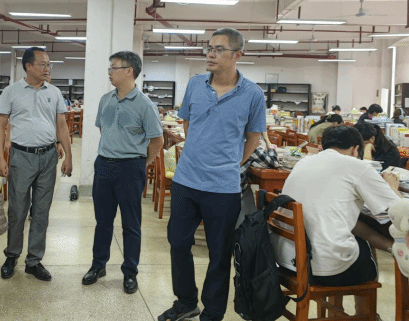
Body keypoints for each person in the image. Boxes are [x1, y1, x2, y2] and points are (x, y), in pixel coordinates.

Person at [158, 28, 266, 321]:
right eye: (209, 48)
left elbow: (254, 137)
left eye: (219, 49)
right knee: (179, 243)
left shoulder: (253, 94)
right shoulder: (195, 84)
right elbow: (188, 125)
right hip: (186, 181)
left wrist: (231, 162)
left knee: (219, 253)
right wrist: (199, 152)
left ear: (237, 55)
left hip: (223, 187)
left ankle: (213, 312)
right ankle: (186, 302)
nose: (211, 54)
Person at [279, 125, 400, 294]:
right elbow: (399, 211)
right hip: (326, 269)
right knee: (364, 246)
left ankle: (391, 247)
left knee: (352, 222)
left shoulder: (303, 162)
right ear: (356, 149)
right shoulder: (357, 166)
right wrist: (392, 187)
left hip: (287, 261)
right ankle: (364, 310)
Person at [82, 51, 163, 294]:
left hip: (130, 168)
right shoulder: (106, 100)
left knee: (131, 223)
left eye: (114, 67)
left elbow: (157, 141)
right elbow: (103, 130)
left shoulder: (145, 104)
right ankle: (98, 265)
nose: (109, 72)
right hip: (104, 165)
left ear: (129, 71)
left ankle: (130, 272)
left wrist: (141, 163)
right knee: (103, 221)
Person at [0, 47, 72, 282]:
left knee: (41, 211)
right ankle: (12, 256)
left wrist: (69, 155)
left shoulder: (54, 92)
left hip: (48, 157)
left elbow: (61, 125)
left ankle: (34, 260)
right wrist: (0, 157)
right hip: (21, 156)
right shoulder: (11, 92)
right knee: (17, 210)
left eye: (49, 64)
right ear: (28, 66)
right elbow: (1, 126)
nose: (47, 69)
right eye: (42, 64)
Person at [238, 132, 279, 228]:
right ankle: (248, 228)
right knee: (248, 191)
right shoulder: (249, 145)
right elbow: (274, 163)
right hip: (235, 191)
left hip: (213, 188)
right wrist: (267, 140)